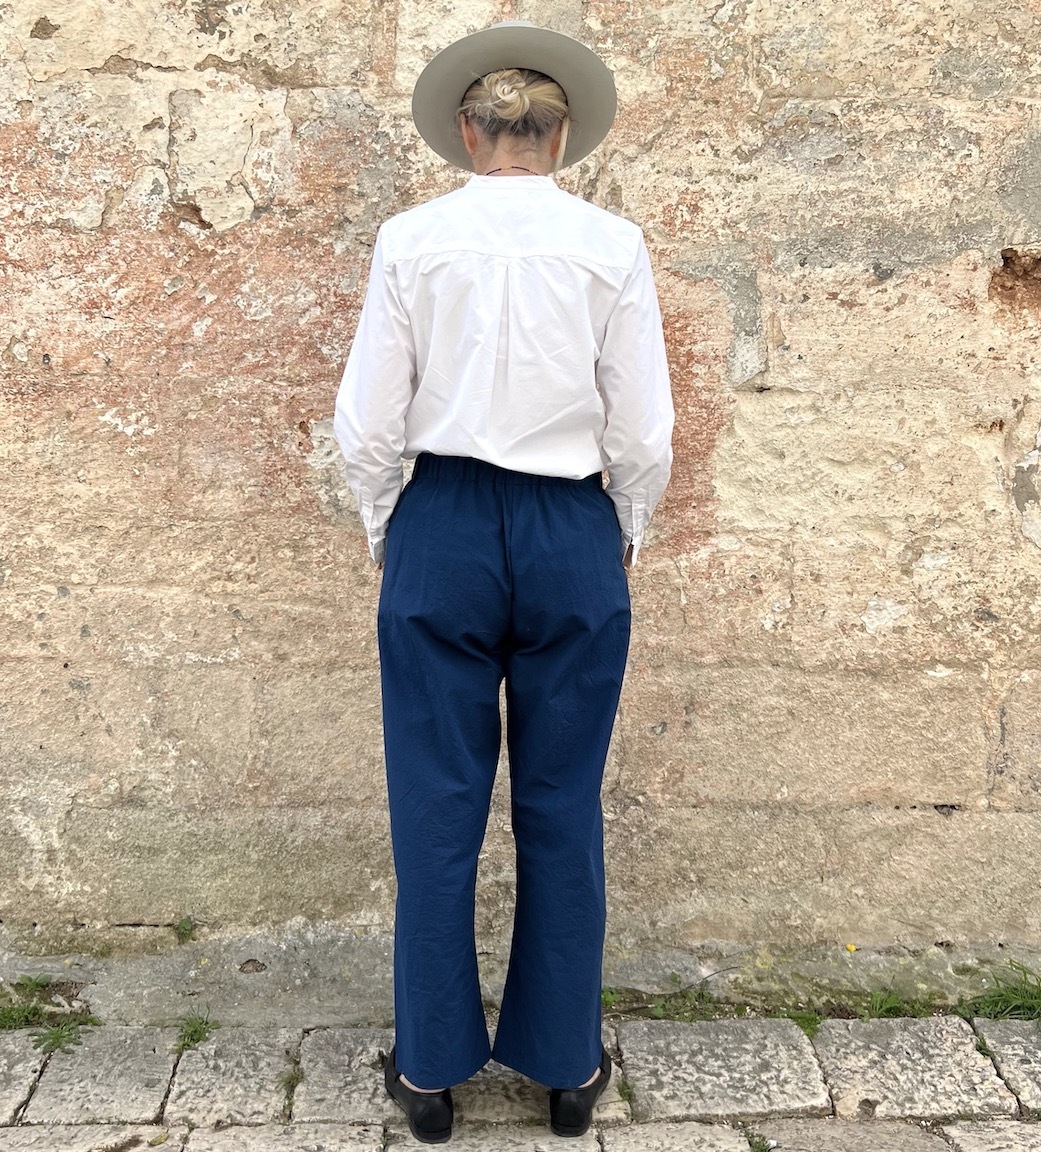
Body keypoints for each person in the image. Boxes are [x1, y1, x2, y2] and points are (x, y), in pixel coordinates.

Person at [334, 20, 674, 1144]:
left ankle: (431, 1069)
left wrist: (390, 526)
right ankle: (566, 1070)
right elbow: (643, 426)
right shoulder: (611, 244)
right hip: (570, 521)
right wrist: (622, 529)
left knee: (436, 803)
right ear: (561, 137)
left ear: (468, 133)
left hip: (444, 521)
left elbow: (369, 419)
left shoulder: (411, 241)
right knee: (562, 802)